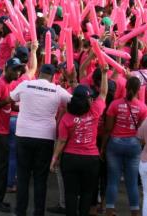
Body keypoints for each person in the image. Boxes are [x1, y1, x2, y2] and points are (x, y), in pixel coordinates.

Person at [10, 55, 72, 216]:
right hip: (45, 137)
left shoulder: (26, 85)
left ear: (38, 73)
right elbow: (74, 102)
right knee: (40, 177)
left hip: (23, 134)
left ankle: (20, 211)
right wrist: (73, 81)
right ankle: (38, 212)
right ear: (52, 77)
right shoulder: (57, 90)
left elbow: (12, 97)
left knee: (23, 176)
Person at [52, 67, 108, 216]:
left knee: (71, 193)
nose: (92, 100)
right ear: (88, 100)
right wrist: (104, 74)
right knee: (87, 193)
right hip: (91, 159)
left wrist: (54, 159)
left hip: (70, 159)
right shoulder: (95, 111)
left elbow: (62, 141)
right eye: (90, 98)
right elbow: (103, 93)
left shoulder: (67, 118)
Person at [103, 75, 147, 216]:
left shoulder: (114, 104)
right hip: (134, 145)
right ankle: (134, 212)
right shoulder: (143, 107)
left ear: (126, 87)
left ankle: (109, 210)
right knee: (132, 181)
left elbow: (108, 128)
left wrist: (102, 146)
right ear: (138, 90)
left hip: (115, 143)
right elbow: (143, 131)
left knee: (113, 180)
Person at [0, 58, 24, 213]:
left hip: (3, 128)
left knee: (2, 164)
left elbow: (11, 105)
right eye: (15, 69)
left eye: (19, 70)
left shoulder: (10, 84)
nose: (18, 72)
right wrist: (8, 100)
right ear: (7, 69)